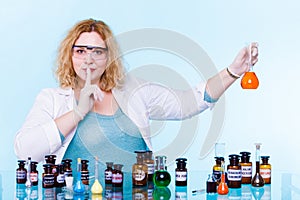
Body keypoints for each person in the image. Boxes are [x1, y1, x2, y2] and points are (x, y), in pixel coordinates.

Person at [14, 19, 258, 183]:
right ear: (70, 55)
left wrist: (233, 72)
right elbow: (25, 151)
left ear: (110, 57)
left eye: (98, 51)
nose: (88, 58)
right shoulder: (52, 99)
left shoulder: (135, 90)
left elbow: (189, 102)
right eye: (81, 50)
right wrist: (77, 113)